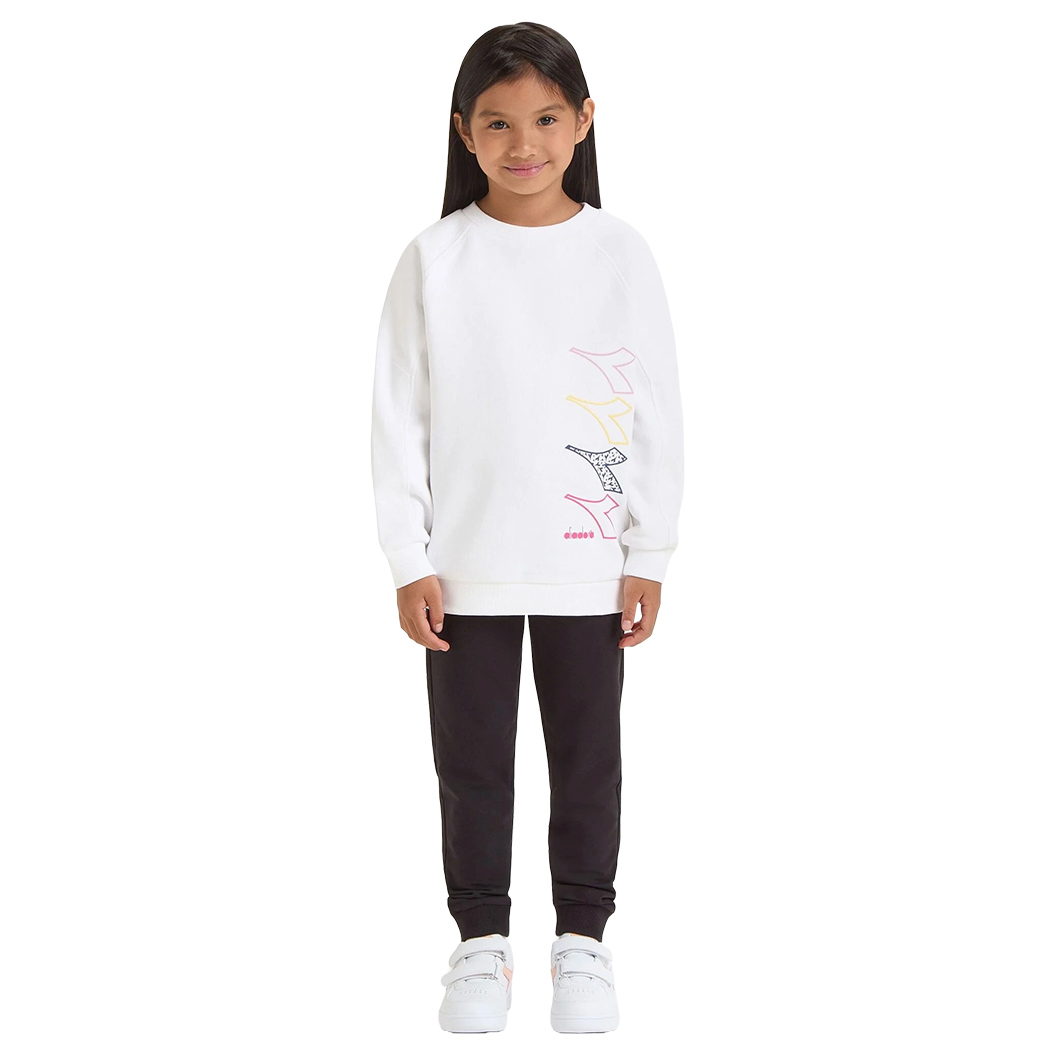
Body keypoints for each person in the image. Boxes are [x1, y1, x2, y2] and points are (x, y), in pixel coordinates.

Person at [369, 22, 685, 1035]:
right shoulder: (434, 259)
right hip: (465, 567)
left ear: (584, 121)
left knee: (588, 761)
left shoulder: (619, 253)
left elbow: (654, 408)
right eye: (498, 123)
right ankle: (480, 942)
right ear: (464, 131)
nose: (524, 144)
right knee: (471, 766)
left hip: (587, 562)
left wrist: (650, 549)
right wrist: (409, 556)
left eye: (546, 119)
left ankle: (583, 940)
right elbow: (398, 417)